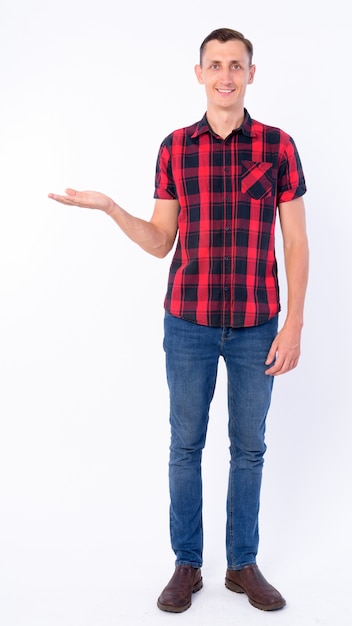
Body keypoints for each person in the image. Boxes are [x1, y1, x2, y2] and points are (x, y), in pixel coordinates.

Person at [49, 27, 309, 613]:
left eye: (236, 65)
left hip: (256, 324)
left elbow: (295, 242)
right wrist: (113, 208)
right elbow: (160, 239)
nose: (225, 75)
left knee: (249, 449)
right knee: (184, 446)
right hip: (187, 324)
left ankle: (243, 564)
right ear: (199, 74)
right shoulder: (175, 148)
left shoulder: (278, 145)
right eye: (214, 65)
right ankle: (187, 565)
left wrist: (293, 325)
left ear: (251, 73)